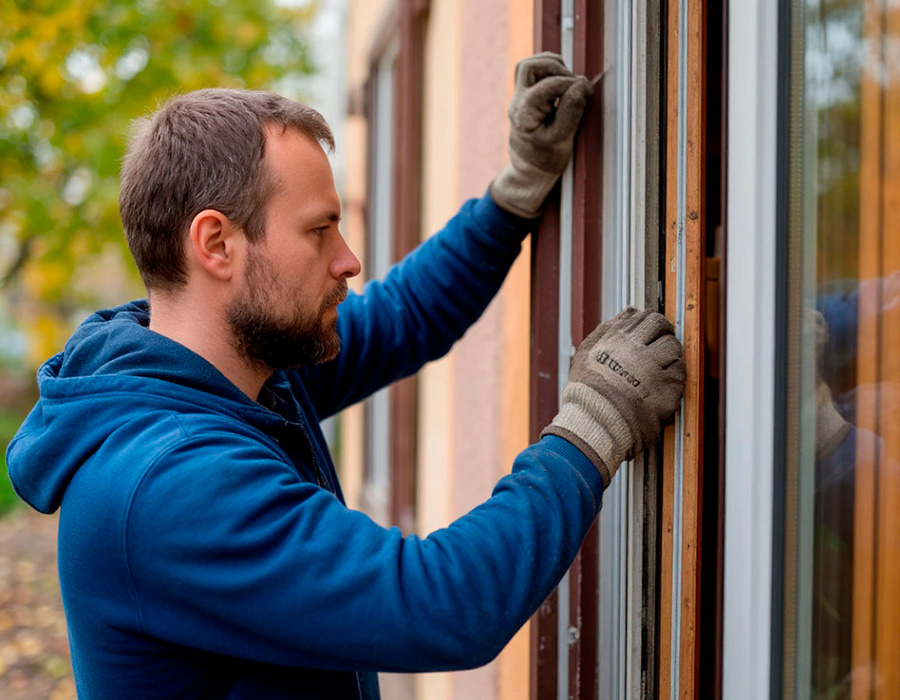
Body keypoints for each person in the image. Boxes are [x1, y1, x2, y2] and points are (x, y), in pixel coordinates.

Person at [6, 54, 685, 700]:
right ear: (217, 244)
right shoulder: (170, 487)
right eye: (319, 231)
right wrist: (592, 424)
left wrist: (515, 192)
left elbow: (401, 317)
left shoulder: (234, 373)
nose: (349, 259)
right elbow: (439, 605)